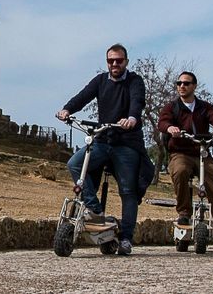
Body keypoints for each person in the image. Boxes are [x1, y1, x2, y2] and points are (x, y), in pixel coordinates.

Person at [56, 43, 152, 256]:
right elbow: (83, 96)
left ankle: (126, 238)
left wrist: (132, 118)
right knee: (75, 164)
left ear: (126, 61)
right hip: (102, 140)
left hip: (126, 143)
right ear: (107, 62)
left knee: (128, 191)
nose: (115, 64)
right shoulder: (100, 80)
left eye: (119, 60)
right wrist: (67, 109)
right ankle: (95, 209)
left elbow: (138, 102)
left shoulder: (135, 81)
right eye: (111, 61)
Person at [157, 71, 213, 253]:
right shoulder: (172, 107)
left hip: (202, 152)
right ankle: (184, 213)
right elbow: (162, 122)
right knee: (180, 171)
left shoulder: (204, 107)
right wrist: (170, 128)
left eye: (186, 83)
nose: (182, 86)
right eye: (179, 83)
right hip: (180, 152)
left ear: (194, 86)